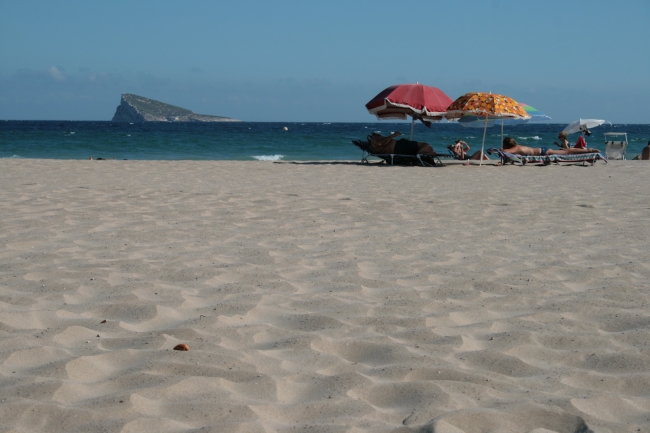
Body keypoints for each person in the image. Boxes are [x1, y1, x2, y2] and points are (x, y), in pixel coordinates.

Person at [501, 137, 600, 156]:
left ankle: (589, 150)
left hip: (543, 152)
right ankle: (588, 150)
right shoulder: (517, 147)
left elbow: (507, 152)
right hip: (542, 150)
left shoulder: (515, 148)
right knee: (567, 151)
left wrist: (500, 150)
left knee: (567, 151)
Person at [369, 132, 437, 155]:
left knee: (426, 147)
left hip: (398, 148)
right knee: (425, 145)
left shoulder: (374, 143)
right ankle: (421, 152)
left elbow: (380, 144)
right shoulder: (374, 138)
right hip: (399, 146)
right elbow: (380, 143)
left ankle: (423, 152)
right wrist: (393, 135)